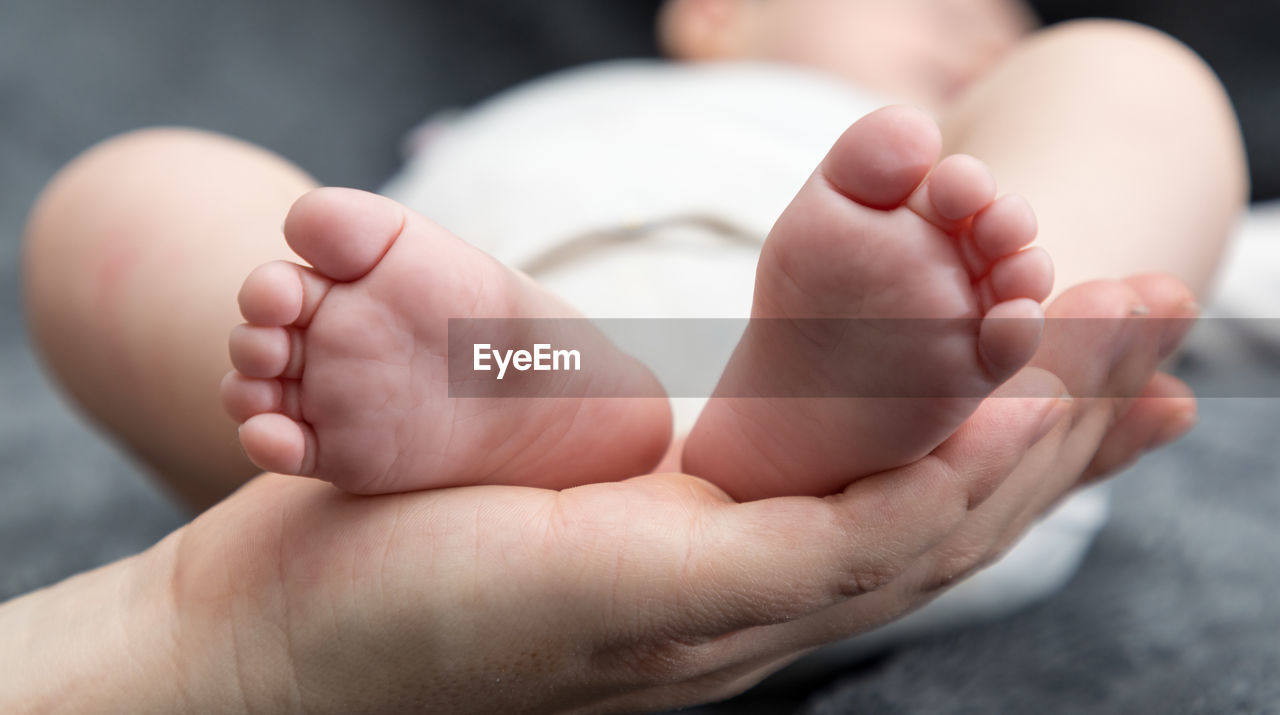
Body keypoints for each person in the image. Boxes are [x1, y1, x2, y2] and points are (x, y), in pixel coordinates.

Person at [5, 0, 1243, 711]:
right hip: (500, 369)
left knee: (1134, 83)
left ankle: (939, 355)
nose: (987, 34)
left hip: (954, 461)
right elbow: (346, 282)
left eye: (1009, 33)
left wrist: (1093, 186)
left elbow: (1216, 270)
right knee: (124, 205)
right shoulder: (517, 130)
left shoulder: (969, 185)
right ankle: (561, 404)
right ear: (715, 15)